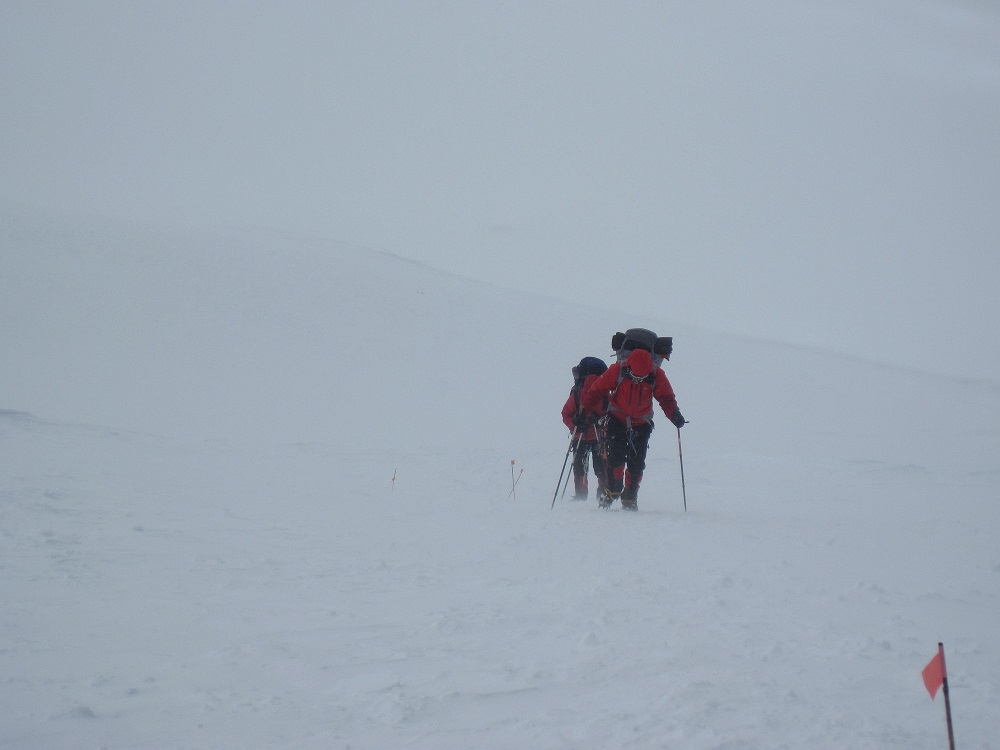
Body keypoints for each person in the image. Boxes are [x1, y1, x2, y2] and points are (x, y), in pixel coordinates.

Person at [581, 347, 685, 510]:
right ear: (629, 367)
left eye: (642, 377)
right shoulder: (617, 370)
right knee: (616, 457)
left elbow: (666, 398)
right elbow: (596, 391)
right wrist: (584, 411)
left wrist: (675, 415)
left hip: (642, 423)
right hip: (617, 419)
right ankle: (613, 489)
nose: (638, 379)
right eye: (635, 376)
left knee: (636, 462)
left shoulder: (657, 375)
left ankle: (630, 496)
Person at [561, 357, 609, 500]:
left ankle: (581, 495)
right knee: (602, 467)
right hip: (600, 436)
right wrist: (600, 420)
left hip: (579, 436)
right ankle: (603, 493)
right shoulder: (605, 394)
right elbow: (613, 414)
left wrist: (574, 423)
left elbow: (565, 414)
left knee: (579, 467)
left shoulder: (576, 393)